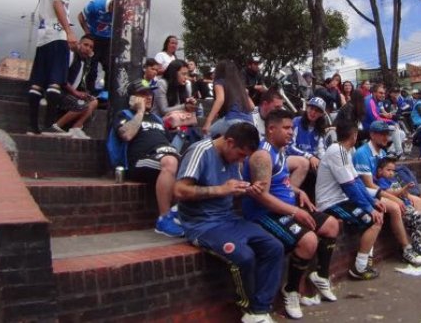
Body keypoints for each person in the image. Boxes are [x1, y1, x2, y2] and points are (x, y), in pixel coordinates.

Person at [174, 122, 284, 323]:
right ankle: (249, 309)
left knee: (274, 247)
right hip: (202, 224)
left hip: (229, 219)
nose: (241, 160)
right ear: (230, 142)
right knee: (244, 256)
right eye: (241, 155)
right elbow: (180, 190)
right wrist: (221, 190)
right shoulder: (200, 151)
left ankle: (260, 310)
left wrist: (248, 189)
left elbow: (232, 188)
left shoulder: (234, 158)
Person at [243, 109, 341, 319]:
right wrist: (295, 210)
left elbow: (279, 181)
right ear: (271, 129)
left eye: (292, 128)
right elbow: (261, 196)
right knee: (309, 241)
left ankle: (320, 276)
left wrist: (297, 191)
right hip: (265, 214)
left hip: (285, 208)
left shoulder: (280, 151)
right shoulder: (262, 155)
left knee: (332, 225)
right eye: (286, 128)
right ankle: (292, 290)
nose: (291, 133)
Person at [351, 122, 421, 266]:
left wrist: (402, 193)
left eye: (387, 134)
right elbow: (368, 185)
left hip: (382, 190)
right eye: (382, 134)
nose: (386, 137)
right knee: (394, 207)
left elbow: (388, 180)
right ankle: (406, 248)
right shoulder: (362, 153)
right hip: (367, 194)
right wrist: (395, 197)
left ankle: (417, 241)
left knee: (417, 200)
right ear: (372, 135)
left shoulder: (382, 153)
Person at [315, 123, 385, 281]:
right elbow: (349, 186)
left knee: (374, 214)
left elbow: (357, 181)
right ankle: (360, 268)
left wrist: (372, 202)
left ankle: (365, 262)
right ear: (353, 136)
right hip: (329, 202)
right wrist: (369, 207)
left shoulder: (344, 151)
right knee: (372, 220)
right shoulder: (336, 151)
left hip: (341, 199)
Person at [26, 0, 85, 135]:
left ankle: (32, 126)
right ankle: (49, 124)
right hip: (57, 33)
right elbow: (58, 2)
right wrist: (68, 30)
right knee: (55, 82)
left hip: (43, 35)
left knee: (37, 83)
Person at [117, 80, 183, 238]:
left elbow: (168, 141)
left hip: (166, 154)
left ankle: (180, 212)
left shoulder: (156, 119)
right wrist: (139, 112)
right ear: (132, 98)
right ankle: (164, 219)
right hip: (142, 160)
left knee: (194, 162)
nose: (148, 97)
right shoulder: (125, 115)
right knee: (170, 162)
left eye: (150, 94)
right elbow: (126, 135)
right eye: (143, 94)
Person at [374, 158, 421, 258]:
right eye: (388, 170)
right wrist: (404, 189)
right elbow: (390, 193)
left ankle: (419, 246)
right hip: (402, 209)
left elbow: (403, 194)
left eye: (393, 170)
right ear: (380, 171)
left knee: (415, 227)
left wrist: (407, 190)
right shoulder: (382, 181)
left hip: (407, 205)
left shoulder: (394, 180)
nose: (391, 173)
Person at [50, 35, 98, 138]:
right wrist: (76, 93)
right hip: (59, 92)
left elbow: (87, 80)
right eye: (86, 45)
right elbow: (62, 79)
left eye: (91, 47)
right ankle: (56, 126)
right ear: (79, 44)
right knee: (82, 105)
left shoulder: (85, 63)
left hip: (71, 94)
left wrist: (85, 94)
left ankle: (76, 128)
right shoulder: (71, 56)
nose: (88, 48)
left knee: (93, 101)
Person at [154, 59, 201, 152]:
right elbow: (163, 110)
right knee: (184, 131)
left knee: (193, 127)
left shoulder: (184, 86)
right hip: (162, 122)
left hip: (179, 123)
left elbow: (184, 107)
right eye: (183, 74)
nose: (186, 77)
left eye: (187, 74)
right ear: (174, 73)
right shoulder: (162, 83)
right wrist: (184, 106)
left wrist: (190, 103)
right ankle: (173, 154)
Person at [204, 60, 255, 136]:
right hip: (249, 123)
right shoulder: (240, 86)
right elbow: (252, 107)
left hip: (232, 121)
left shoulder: (219, 82)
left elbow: (220, 99)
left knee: (207, 135)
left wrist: (208, 121)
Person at [76, 0, 113, 94]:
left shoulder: (121, 11)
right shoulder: (95, 5)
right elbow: (80, 17)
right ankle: (89, 91)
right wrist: (88, 33)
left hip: (108, 39)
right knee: (92, 67)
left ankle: (106, 93)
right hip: (94, 38)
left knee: (109, 66)